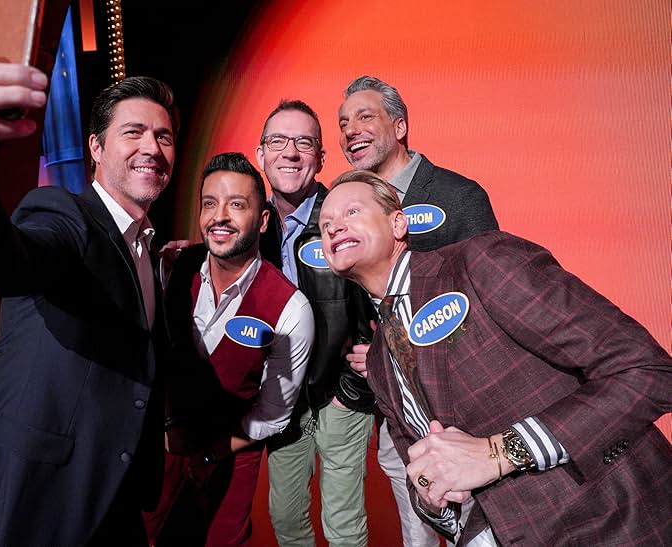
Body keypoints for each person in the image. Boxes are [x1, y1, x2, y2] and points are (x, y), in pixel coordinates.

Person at [0, 25, 178, 546]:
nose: (152, 147)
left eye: (164, 136)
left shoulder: (150, 249)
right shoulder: (63, 215)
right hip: (31, 495)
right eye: (134, 132)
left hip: (111, 497)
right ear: (96, 147)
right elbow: (0, 261)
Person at [319, 170, 672, 546]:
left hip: (613, 523)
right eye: (325, 225)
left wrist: (498, 453)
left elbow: (646, 371)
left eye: (352, 211)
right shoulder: (377, 359)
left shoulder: (479, 262)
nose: (335, 228)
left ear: (399, 223)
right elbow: (420, 470)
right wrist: (430, 494)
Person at [338, 75, 499, 546]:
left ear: (401, 125)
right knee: (419, 534)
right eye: (343, 123)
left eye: (365, 116)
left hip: (467, 409)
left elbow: (488, 300)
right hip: (401, 416)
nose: (351, 130)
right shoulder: (345, 205)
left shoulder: (459, 197)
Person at [143, 152, 314, 546]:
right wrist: (169, 428)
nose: (220, 216)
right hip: (166, 440)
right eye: (209, 203)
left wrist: (211, 454)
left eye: (237, 204)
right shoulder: (172, 268)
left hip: (233, 451)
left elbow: (274, 414)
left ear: (264, 218)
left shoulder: (291, 308)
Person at [256, 100, 375, 547]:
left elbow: (381, 302)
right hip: (283, 397)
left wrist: (353, 391)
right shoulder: (253, 225)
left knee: (342, 525)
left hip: (339, 394)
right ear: (261, 152)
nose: (290, 152)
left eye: (304, 142)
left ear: (321, 158)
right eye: (279, 141)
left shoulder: (347, 214)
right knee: (285, 519)